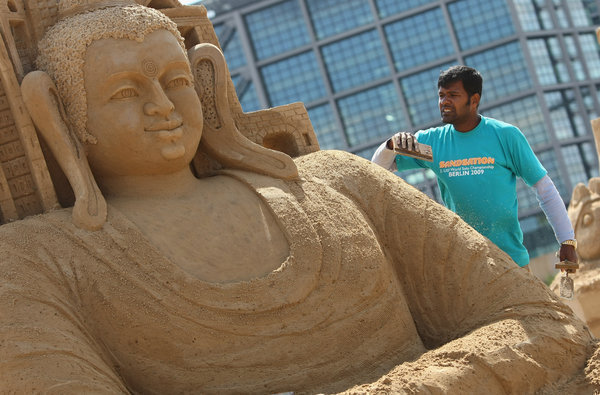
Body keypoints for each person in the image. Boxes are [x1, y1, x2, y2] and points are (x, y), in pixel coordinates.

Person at [0, 3, 596, 393]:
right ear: (62, 118)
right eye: (126, 91)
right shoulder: (34, 262)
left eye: (176, 81)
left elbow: (543, 324)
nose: (162, 106)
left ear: (205, 82)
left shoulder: (338, 183)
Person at [372, 65, 577, 269]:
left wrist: (567, 240)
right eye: (441, 95)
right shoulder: (432, 142)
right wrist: (390, 145)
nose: (444, 102)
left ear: (474, 100)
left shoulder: (506, 135)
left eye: (453, 95)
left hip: (512, 264)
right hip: (464, 268)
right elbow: (377, 169)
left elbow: (544, 188)